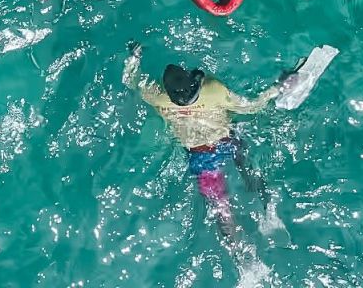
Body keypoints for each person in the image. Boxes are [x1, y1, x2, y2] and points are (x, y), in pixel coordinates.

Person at [122, 45, 287, 252]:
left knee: (222, 210)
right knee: (250, 173)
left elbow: (131, 81)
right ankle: (270, 215)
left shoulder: (158, 97)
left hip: (200, 156)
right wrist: (277, 88)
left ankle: (242, 260)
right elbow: (251, 106)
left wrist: (134, 59)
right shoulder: (213, 89)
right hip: (228, 140)